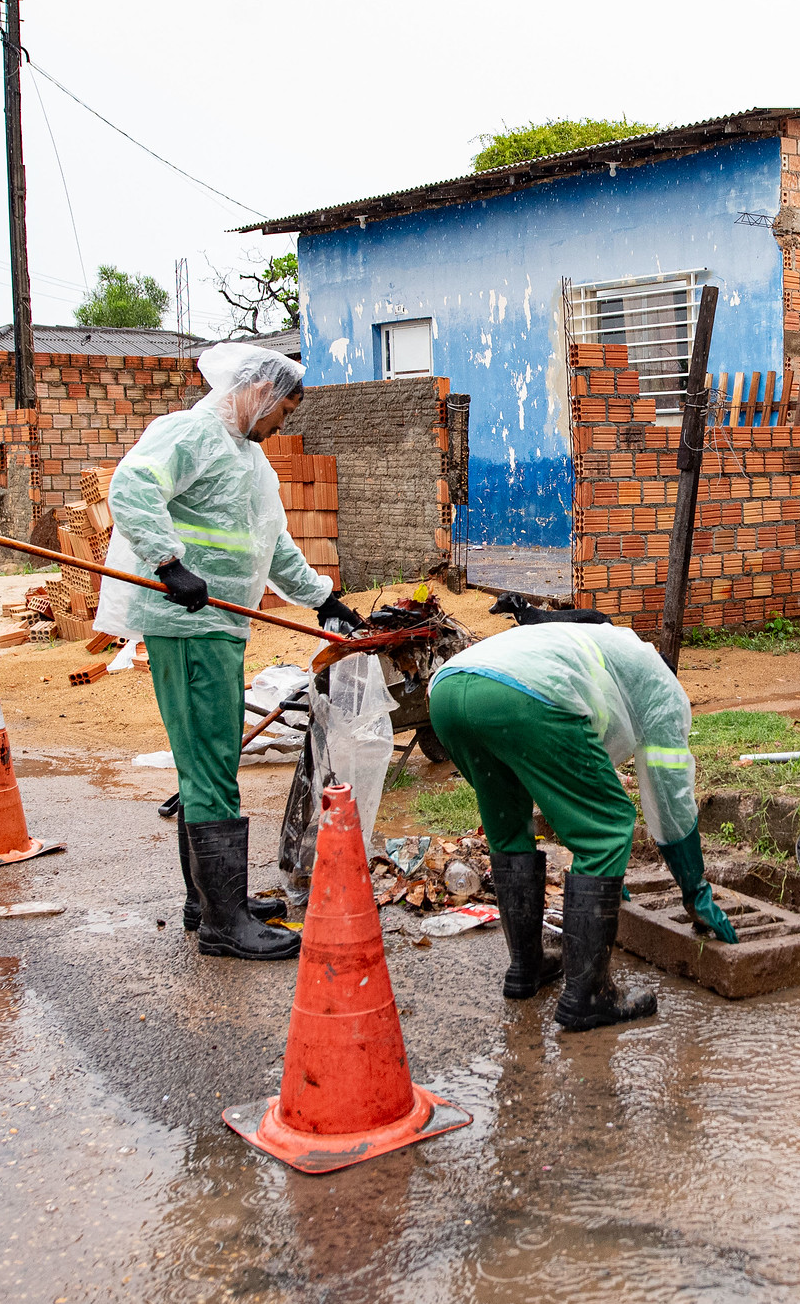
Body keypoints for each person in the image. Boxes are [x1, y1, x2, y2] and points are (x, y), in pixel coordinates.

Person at [96, 343, 364, 962]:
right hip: (188, 622)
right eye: (281, 413)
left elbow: (271, 543)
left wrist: (321, 598)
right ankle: (224, 923)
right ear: (258, 393)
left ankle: (208, 902)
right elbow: (132, 484)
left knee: (208, 760)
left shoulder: (249, 459)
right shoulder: (192, 433)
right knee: (212, 764)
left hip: (218, 626)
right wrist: (168, 563)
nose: (280, 427)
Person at [425, 622, 736, 1031]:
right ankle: (588, 995)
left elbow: (576, 767)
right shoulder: (661, 693)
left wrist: (609, 881)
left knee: (508, 825)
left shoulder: (600, 653)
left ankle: (526, 967)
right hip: (523, 696)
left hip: (449, 693)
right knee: (607, 827)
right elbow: (670, 798)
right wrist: (695, 890)